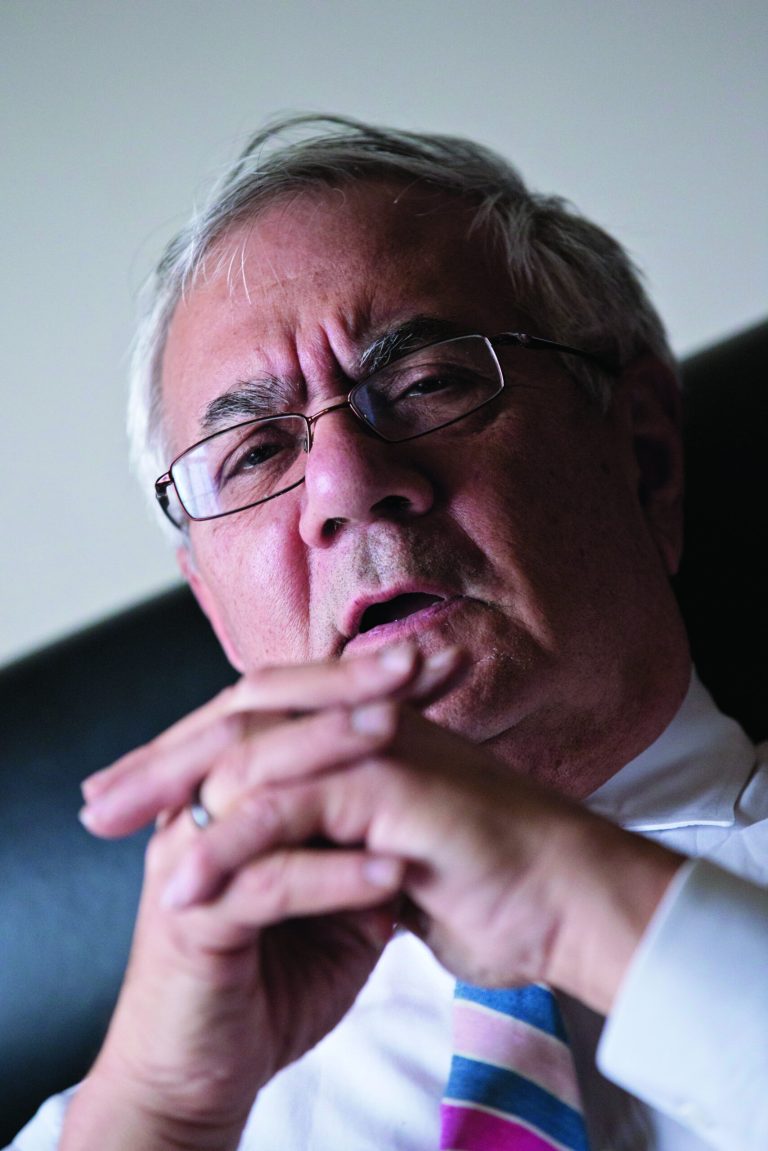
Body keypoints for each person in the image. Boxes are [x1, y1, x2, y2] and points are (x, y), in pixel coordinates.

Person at [9, 116, 767, 1151]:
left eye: (425, 384)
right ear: (217, 612)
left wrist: (579, 904)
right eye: (257, 450)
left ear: (643, 457)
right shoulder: (154, 1105)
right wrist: (159, 1111)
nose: (347, 485)